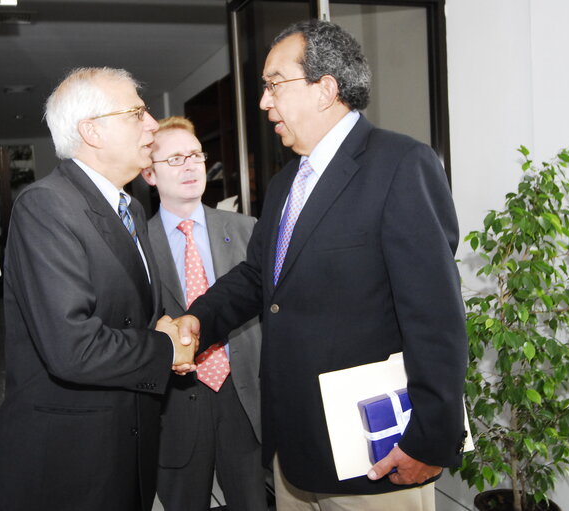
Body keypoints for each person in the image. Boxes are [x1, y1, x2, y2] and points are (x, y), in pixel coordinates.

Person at [174, 19, 468, 511]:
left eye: (274, 85)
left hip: (375, 456)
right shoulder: (288, 182)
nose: (264, 102)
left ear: (325, 89)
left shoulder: (401, 165)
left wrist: (430, 440)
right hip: (294, 449)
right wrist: (198, 320)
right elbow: (257, 277)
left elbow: (436, 316)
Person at [0, 67, 196, 511]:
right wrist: (164, 349)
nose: (153, 124)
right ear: (92, 131)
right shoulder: (46, 206)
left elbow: (129, 310)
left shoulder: (131, 208)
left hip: (125, 437)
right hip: (72, 459)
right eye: (137, 113)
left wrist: (156, 321)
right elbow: (73, 348)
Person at [141, 116, 267, 511]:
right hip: (174, 403)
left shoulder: (248, 231)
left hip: (243, 396)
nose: (191, 165)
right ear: (149, 173)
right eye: (175, 159)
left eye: (195, 155)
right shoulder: (135, 245)